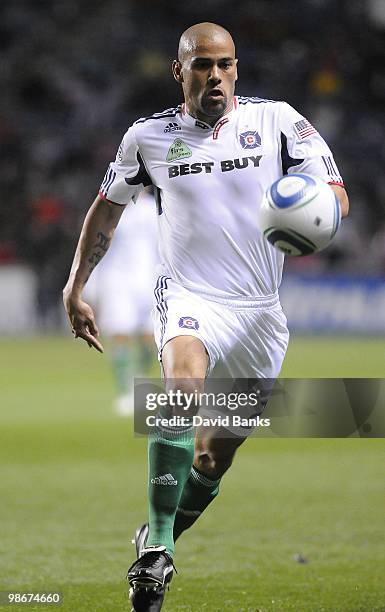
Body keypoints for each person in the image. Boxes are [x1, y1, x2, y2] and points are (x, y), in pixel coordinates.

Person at [63, 22, 349, 611]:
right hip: (190, 294)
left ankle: (160, 537)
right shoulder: (146, 138)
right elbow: (106, 211)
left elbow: (336, 192)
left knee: (216, 455)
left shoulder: (280, 123)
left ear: (236, 68)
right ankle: (156, 553)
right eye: (201, 65)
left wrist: (319, 208)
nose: (213, 75)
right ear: (180, 71)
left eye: (223, 64)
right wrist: (75, 286)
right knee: (181, 390)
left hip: (260, 313)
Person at [83, 188, 158, 416]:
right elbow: (97, 246)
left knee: (151, 339)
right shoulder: (112, 208)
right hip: (118, 282)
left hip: (151, 280)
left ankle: (140, 379)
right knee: (120, 335)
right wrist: (91, 283)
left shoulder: (156, 208)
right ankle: (126, 392)